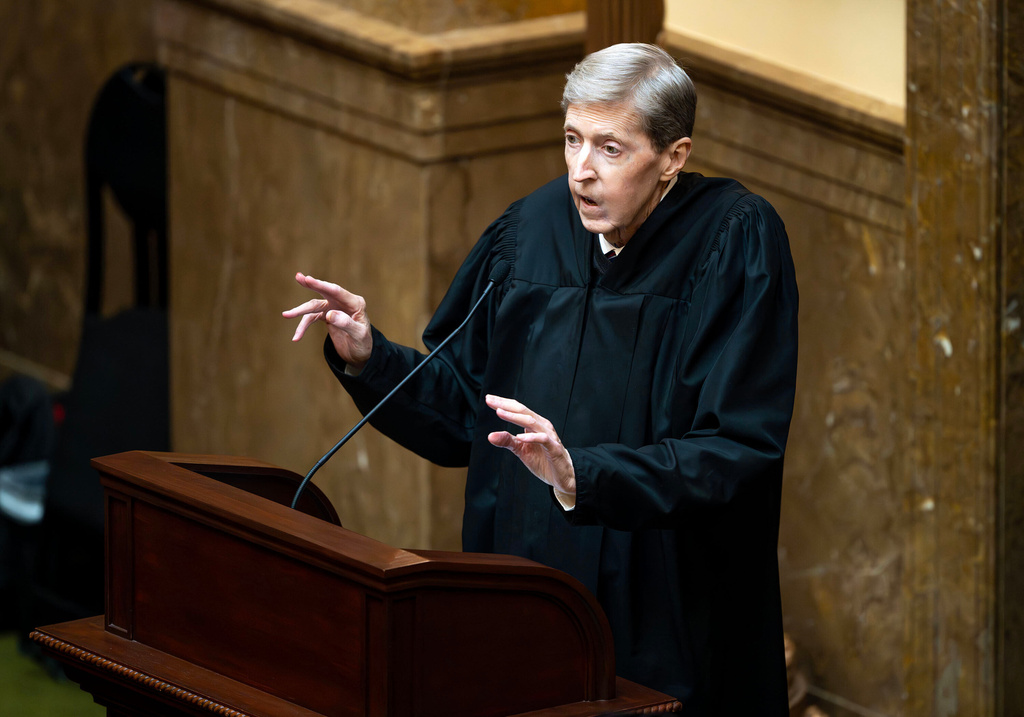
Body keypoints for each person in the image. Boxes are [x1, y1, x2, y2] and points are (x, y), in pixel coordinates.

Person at [284, 43, 798, 715]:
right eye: (571, 139)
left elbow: (737, 449)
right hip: (523, 608)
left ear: (674, 155)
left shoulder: (734, 242)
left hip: (659, 628)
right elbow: (465, 415)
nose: (581, 172)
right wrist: (368, 355)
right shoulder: (529, 232)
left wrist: (581, 474)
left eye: (611, 150)